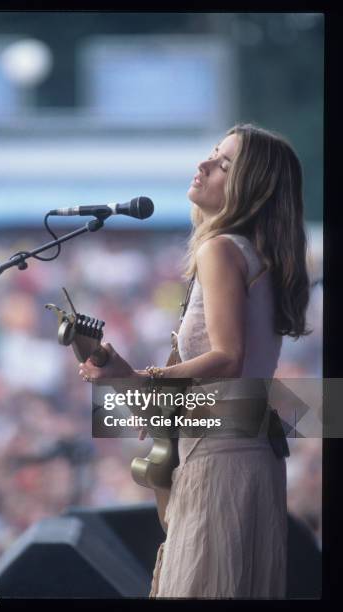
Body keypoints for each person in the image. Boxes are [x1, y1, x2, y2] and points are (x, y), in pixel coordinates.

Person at [78, 123, 311, 598]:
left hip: (219, 460)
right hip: (250, 451)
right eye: (211, 153)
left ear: (252, 189)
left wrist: (150, 378)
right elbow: (235, 387)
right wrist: (129, 377)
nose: (203, 165)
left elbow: (227, 359)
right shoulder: (258, 256)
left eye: (223, 164)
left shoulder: (220, 249)